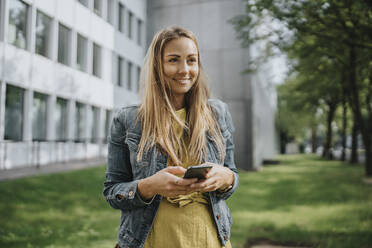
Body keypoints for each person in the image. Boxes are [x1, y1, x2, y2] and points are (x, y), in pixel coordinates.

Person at [103, 26, 239, 248]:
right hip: (151, 239)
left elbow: (232, 175)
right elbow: (112, 191)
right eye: (174, 60)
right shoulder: (127, 119)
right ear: (158, 66)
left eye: (191, 60)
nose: (185, 69)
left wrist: (227, 178)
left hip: (208, 239)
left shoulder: (218, 113)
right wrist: (149, 186)